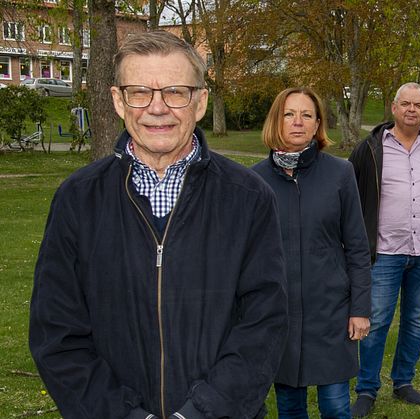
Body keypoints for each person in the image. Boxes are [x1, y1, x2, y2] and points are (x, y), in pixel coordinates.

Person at [28, 30, 289, 419]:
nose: (157, 108)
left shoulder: (248, 197)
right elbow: (58, 333)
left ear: (200, 102)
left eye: (175, 92)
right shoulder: (78, 199)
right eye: (139, 92)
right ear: (118, 100)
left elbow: (264, 326)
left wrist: (202, 412)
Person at [251, 87, 371, 419]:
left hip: (330, 311)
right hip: (280, 315)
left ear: (318, 123)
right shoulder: (254, 181)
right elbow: (245, 257)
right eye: (289, 114)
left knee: (335, 406)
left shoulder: (340, 173)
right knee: (289, 407)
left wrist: (360, 308)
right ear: (277, 120)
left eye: (307, 115)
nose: (298, 122)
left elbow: (358, 247)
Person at [348, 82, 420, 417]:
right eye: (405, 103)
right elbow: (351, 194)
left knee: (416, 319)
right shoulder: (370, 148)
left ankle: (403, 381)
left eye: (419, 105)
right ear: (393, 108)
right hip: (384, 251)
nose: (412, 109)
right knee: (376, 321)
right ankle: (367, 388)